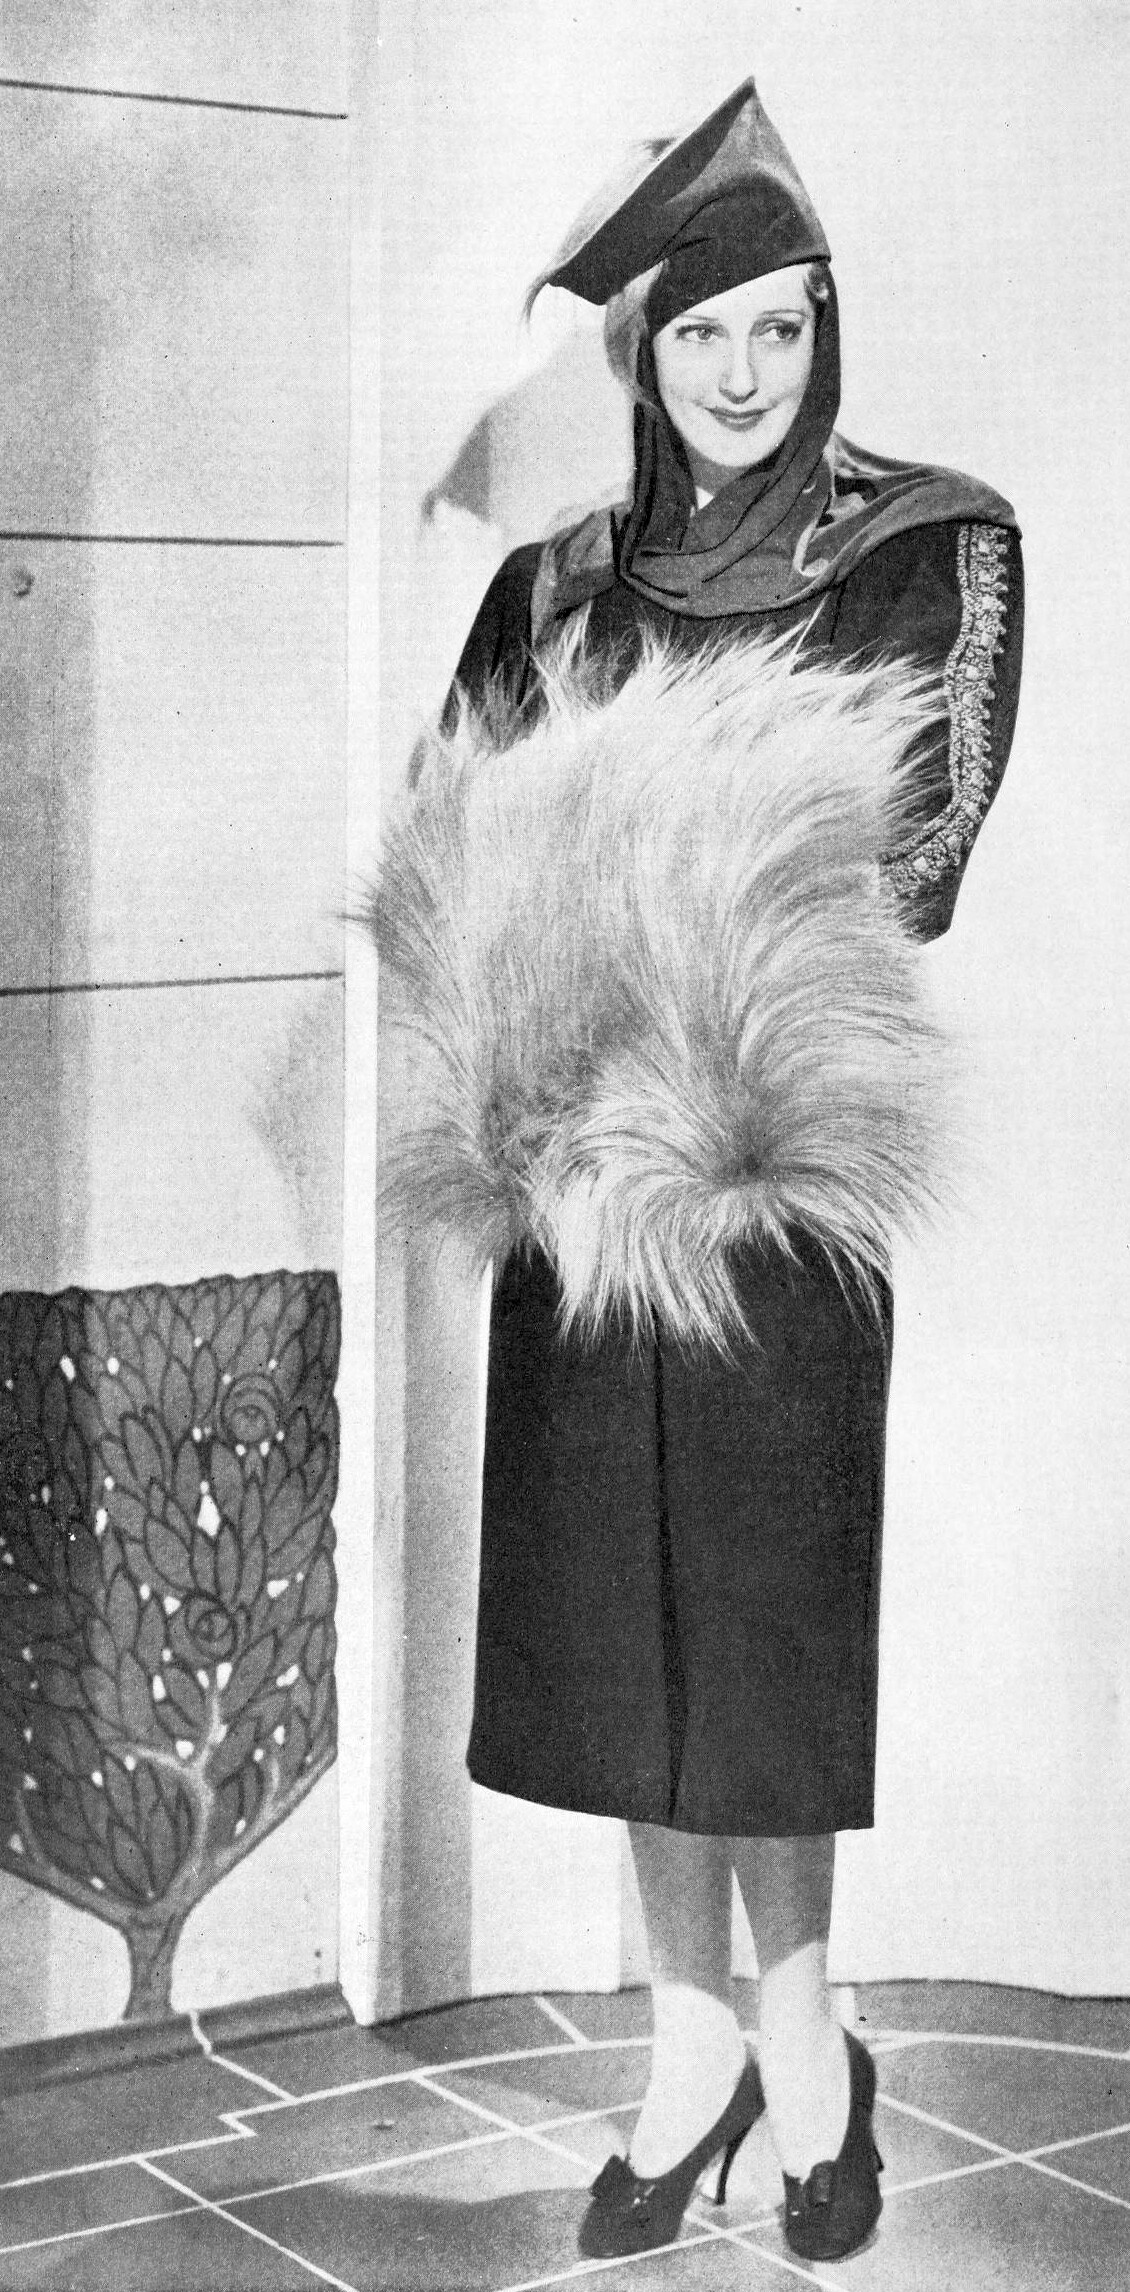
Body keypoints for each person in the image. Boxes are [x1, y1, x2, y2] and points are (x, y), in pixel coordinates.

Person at [444, 80, 1023, 2264]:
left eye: (781, 325)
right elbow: (454, 860)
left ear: (825, 330)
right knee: (619, 1635)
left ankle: (806, 2041)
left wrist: (620, 871)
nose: (745, 372)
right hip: (582, 1194)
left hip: (775, 1183)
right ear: (645, 351)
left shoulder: (925, 552)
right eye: (701, 332)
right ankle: (684, 2046)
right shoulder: (550, 586)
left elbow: (911, 864)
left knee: (764, 1636)